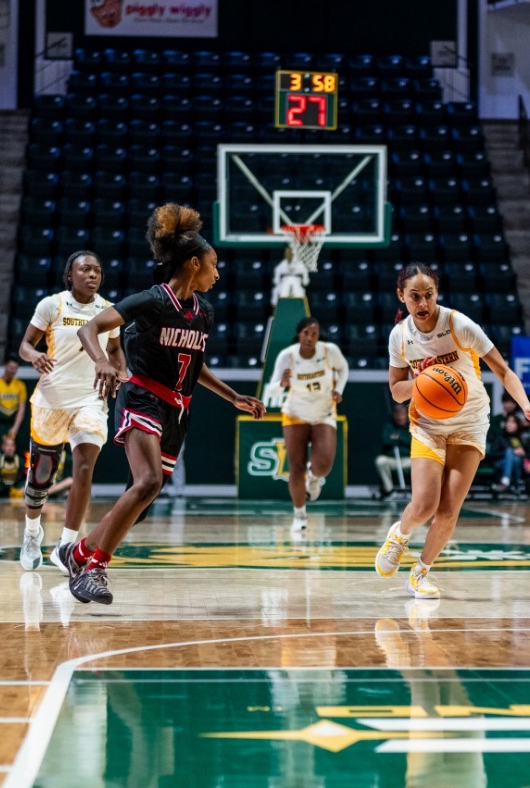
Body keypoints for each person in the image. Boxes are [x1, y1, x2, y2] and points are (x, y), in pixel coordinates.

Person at [61, 204, 263, 604]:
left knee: (143, 503)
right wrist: (102, 360)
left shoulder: (203, 312)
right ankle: (93, 570)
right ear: (192, 264)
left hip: (177, 410)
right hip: (142, 396)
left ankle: (79, 553)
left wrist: (233, 395)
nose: (218, 273)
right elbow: (90, 327)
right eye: (213, 265)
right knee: (148, 482)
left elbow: (196, 365)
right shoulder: (152, 300)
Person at [374, 261, 530, 599]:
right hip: (428, 425)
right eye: (414, 296)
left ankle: (419, 574)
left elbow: (503, 371)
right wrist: (421, 381)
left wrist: (525, 405)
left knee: (448, 510)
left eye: (429, 295)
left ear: (437, 293)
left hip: (469, 422)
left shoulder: (458, 324)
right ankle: (399, 535)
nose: (422, 304)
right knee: (423, 506)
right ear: (401, 296)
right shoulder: (399, 337)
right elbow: (396, 390)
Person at [17, 250, 117, 571]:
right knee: (41, 476)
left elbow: (115, 349)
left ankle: (65, 546)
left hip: (91, 398)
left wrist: (121, 371)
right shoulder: (52, 305)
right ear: (69, 275)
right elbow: (25, 345)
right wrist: (33, 356)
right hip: (52, 400)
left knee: (85, 467)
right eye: (85, 269)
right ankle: (32, 532)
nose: (92, 275)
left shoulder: (108, 310)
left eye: (97, 271)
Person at [267, 316, 349, 533]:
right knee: (296, 466)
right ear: (299, 334)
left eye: (314, 334)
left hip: (323, 411)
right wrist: (282, 384)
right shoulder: (288, 356)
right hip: (295, 414)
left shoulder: (329, 351)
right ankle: (299, 515)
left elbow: (344, 369)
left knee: (324, 465)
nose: (310, 338)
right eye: (306, 333)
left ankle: (313, 479)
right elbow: (272, 390)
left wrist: (339, 390)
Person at [375, 401, 412, 498]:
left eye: (402, 414)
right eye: (398, 414)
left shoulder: (411, 427)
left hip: (407, 460)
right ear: (394, 415)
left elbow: (410, 441)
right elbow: (386, 440)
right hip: (392, 460)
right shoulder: (389, 427)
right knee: (380, 461)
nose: (400, 417)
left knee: (419, 463)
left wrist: (397, 437)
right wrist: (397, 439)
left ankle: (415, 492)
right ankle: (389, 491)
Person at [0, 359, 29, 446]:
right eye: (11, 367)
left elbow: (21, 410)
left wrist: (15, 428)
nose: (13, 371)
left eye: (15, 368)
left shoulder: (20, 385)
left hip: (14, 423)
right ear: (5, 366)